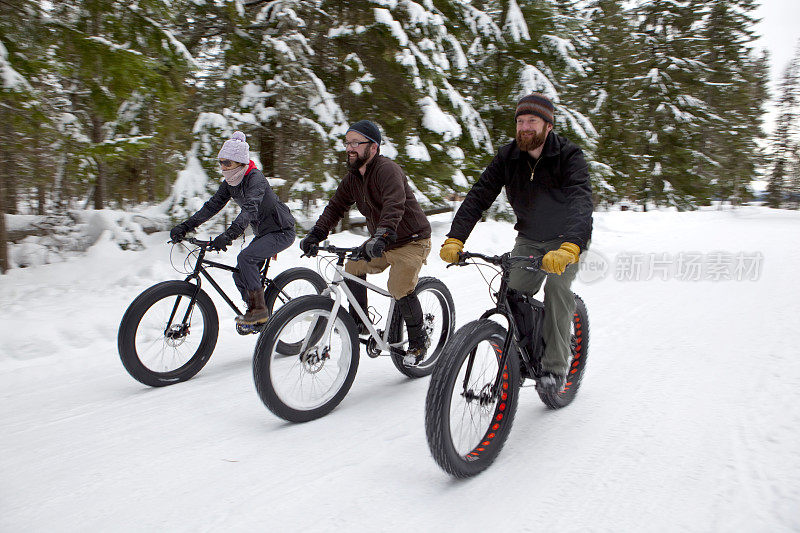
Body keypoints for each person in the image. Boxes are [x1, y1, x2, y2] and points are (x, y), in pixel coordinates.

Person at [439, 93, 593, 394]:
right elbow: (478, 196)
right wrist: (456, 237)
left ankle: (555, 366)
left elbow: (580, 202)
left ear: (548, 126)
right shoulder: (508, 156)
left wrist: (571, 246)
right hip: (529, 238)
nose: (524, 127)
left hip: (566, 242)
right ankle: (528, 347)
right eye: (520, 121)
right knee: (512, 293)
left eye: (532, 121)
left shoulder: (569, 156)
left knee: (557, 288)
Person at [299, 120, 432, 366]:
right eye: (347, 142)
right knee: (352, 268)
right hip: (382, 240)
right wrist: (317, 233)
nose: (350, 148)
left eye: (356, 143)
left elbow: (395, 204)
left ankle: (418, 342)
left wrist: (381, 234)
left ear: (373, 147)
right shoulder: (352, 178)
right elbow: (335, 207)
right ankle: (358, 324)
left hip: (411, 240)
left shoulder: (387, 170)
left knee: (399, 287)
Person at [170, 131, 296, 327]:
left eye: (227, 163)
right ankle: (255, 314)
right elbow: (212, 206)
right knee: (239, 272)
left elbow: (250, 209)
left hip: (281, 231)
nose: (222, 167)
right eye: (220, 162)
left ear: (240, 163)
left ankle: (259, 311)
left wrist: (229, 235)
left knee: (246, 258)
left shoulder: (255, 179)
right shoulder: (231, 182)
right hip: (263, 233)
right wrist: (186, 226)